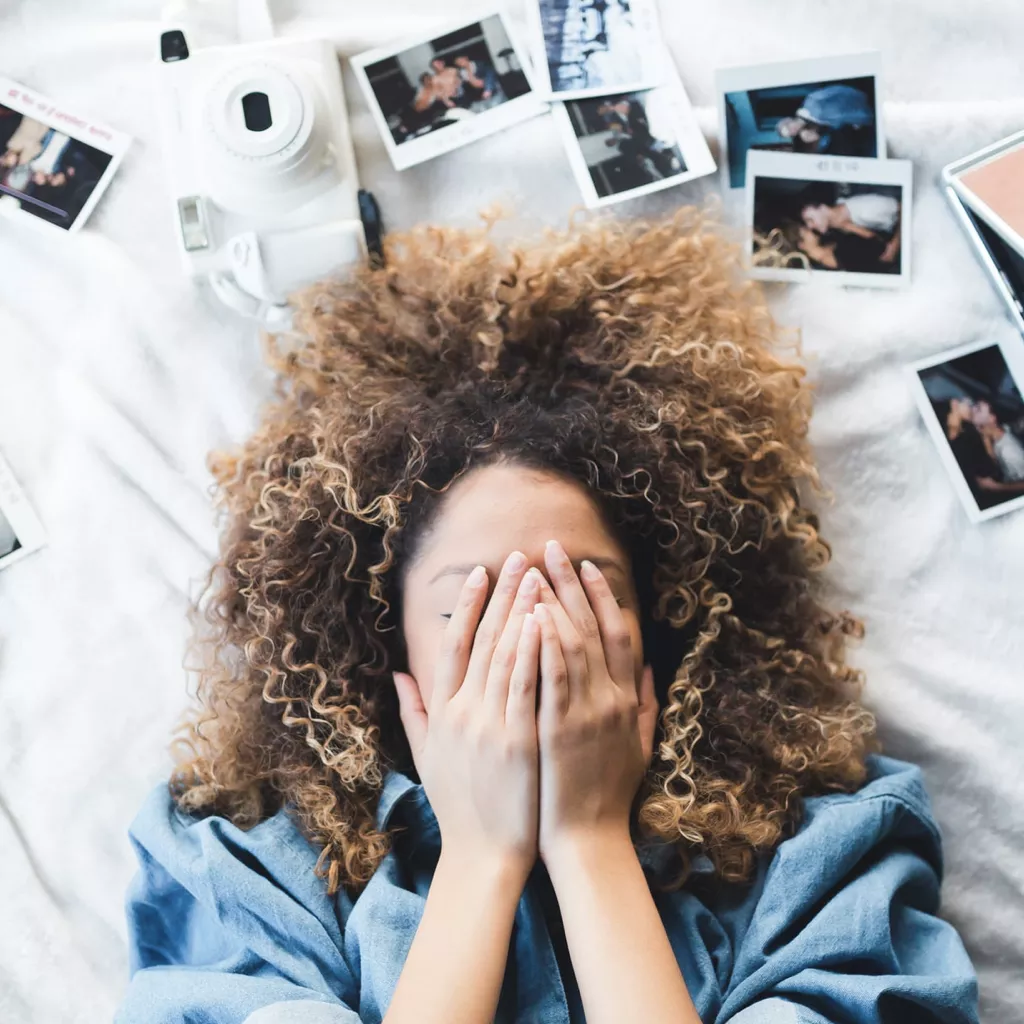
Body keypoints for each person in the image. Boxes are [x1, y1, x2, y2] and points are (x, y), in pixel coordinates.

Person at [114, 212, 979, 1024]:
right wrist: (480, 856)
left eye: (579, 593)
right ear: (385, 638)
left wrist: (591, 840)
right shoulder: (246, 861)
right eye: (472, 604)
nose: (531, 640)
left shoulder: (831, 844)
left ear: (664, 618)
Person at [800, 187, 902, 266]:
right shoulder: (837, 226)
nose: (810, 226)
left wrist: (896, 243)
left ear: (823, 207)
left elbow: (904, 208)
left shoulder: (866, 208)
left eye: (810, 219)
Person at [776, 83, 875, 155]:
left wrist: (860, 96)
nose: (793, 131)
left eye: (788, 128)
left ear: (789, 120)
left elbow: (838, 90)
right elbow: (833, 131)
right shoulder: (810, 128)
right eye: (790, 134)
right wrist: (818, 138)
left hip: (863, 102)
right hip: (863, 118)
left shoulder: (812, 101)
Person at [971, 398, 1024, 495]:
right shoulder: (1001, 431)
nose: (972, 409)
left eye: (978, 408)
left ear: (992, 418)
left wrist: (996, 487)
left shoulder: (1009, 451)